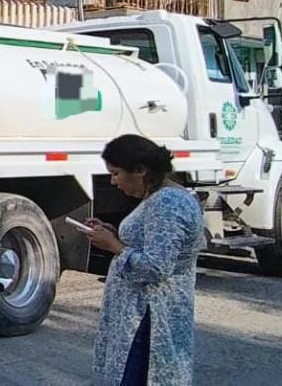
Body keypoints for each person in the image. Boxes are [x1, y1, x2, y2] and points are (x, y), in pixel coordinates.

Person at [85, 134, 205, 386]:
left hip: (150, 315)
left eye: (116, 173)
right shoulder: (158, 197)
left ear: (140, 170)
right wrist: (114, 233)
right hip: (142, 313)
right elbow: (153, 242)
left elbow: (157, 266)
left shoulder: (168, 202)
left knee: (140, 376)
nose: (113, 181)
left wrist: (115, 246)